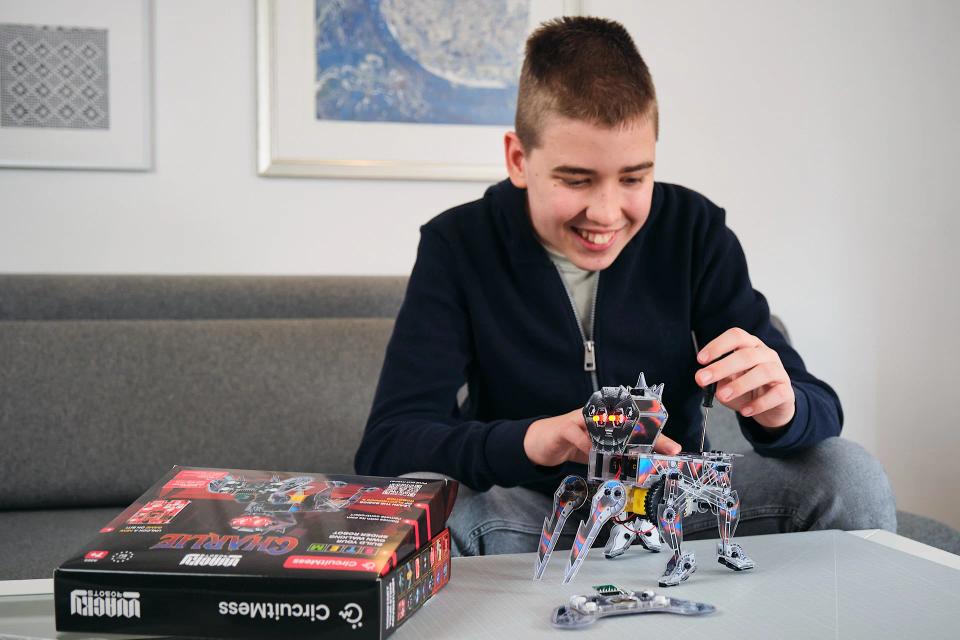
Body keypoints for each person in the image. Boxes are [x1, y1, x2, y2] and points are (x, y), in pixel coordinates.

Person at [354, 16, 895, 556]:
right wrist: (533, 440)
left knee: (848, 473)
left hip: (677, 504)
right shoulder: (458, 244)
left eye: (634, 178)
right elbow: (388, 444)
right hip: (531, 517)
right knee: (421, 510)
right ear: (519, 159)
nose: (607, 213)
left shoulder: (695, 231)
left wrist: (784, 410)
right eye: (576, 179)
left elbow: (821, 407)